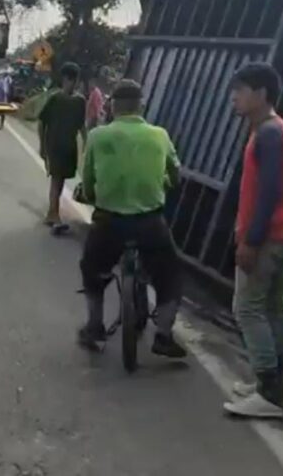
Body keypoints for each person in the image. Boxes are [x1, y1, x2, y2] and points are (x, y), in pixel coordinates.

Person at [76, 80, 186, 358]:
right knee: (170, 273)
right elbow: (175, 174)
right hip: (150, 222)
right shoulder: (159, 135)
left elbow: (87, 182)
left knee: (92, 269)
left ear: (112, 106)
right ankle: (163, 335)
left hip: (108, 222)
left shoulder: (98, 136)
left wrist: (91, 196)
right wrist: (164, 183)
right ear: (142, 106)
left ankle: (94, 328)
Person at [222, 63, 283, 419]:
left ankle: (269, 393)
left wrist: (250, 241)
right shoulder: (275, 130)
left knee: (247, 308)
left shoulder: (268, 133)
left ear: (262, 93)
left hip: (266, 237)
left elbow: (268, 192)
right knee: (271, 309)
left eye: (242, 89)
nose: (234, 96)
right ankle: (271, 382)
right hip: (281, 233)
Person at [38, 62, 87, 234]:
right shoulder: (55, 99)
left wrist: (86, 142)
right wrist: (42, 146)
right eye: (70, 80)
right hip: (55, 144)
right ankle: (53, 214)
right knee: (56, 178)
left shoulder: (80, 101)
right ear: (65, 79)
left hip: (70, 146)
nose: (72, 83)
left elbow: (82, 125)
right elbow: (42, 122)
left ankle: (52, 212)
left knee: (62, 178)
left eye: (75, 80)